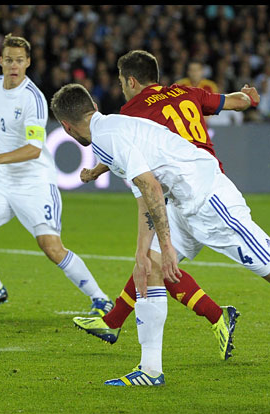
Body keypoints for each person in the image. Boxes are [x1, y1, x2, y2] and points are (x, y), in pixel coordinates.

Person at [50, 83, 270, 386]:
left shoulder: (107, 137)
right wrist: (143, 250)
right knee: (150, 266)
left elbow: (151, 188)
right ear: (92, 106)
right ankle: (150, 370)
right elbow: (145, 194)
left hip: (209, 201)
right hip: (183, 201)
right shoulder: (114, 126)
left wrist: (165, 244)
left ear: (66, 126)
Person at [73, 50, 259, 361]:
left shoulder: (132, 111)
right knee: (154, 260)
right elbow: (237, 102)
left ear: (132, 81)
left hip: (185, 193)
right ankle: (112, 322)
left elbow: (125, 149)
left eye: (121, 81)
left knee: (155, 262)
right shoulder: (187, 92)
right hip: (212, 183)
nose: (121, 87)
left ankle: (215, 317)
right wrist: (250, 97)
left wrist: (95, 170)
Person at [0, 34, 114, 315]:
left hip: (35, 183)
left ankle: (100, 298)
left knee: (51, 247)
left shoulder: (33, 98)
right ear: (1, 61)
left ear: (28, 63)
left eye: (19, 60)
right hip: (3, 181)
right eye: (9, 60)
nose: (14, 65)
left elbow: (34, 149)